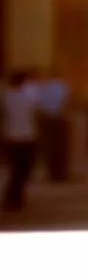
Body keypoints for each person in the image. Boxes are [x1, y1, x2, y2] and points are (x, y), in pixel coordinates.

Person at [2, 69, 41, 212]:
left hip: (12, 136)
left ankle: (15, 195)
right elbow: (35, 112)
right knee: (24, 168)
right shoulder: (28, 97)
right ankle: (14, 194)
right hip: (27, 136)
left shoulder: (7, 97)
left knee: (15, 167)